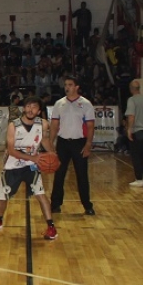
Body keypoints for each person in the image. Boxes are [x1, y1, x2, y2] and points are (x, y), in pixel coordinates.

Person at [0, 97, 58, 240]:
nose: (30, 109)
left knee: (40, 193)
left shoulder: (43, 124)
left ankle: (51, 227)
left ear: (39, 111)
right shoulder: (13, 125)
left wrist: (53, 154)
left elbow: (45, 140)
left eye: (34, 107)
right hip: (13, 165)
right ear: (24, 108)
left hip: (31, 167)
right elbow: (11, 151)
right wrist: (33, 158)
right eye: (28, 106)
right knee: (2, 195)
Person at [49, 76, 95, 215]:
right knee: (59, 174)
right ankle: (55, 204)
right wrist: (51, 143)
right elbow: (54, 125)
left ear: (77, 87)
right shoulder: (59, 103)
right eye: (66, 85)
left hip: (79, 143)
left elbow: (91, 126)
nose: (67, 87)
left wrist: (88, 145)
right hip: (63, 143)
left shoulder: (86, 104)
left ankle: (87, 205)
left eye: (70, 84)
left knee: (82, 175)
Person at [124, 79, 143, 187]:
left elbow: (131, 115)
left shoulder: (131, 100)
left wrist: (129, 129)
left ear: (131, 89)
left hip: (138, 130)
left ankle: (139, 179)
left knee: (135, 154)